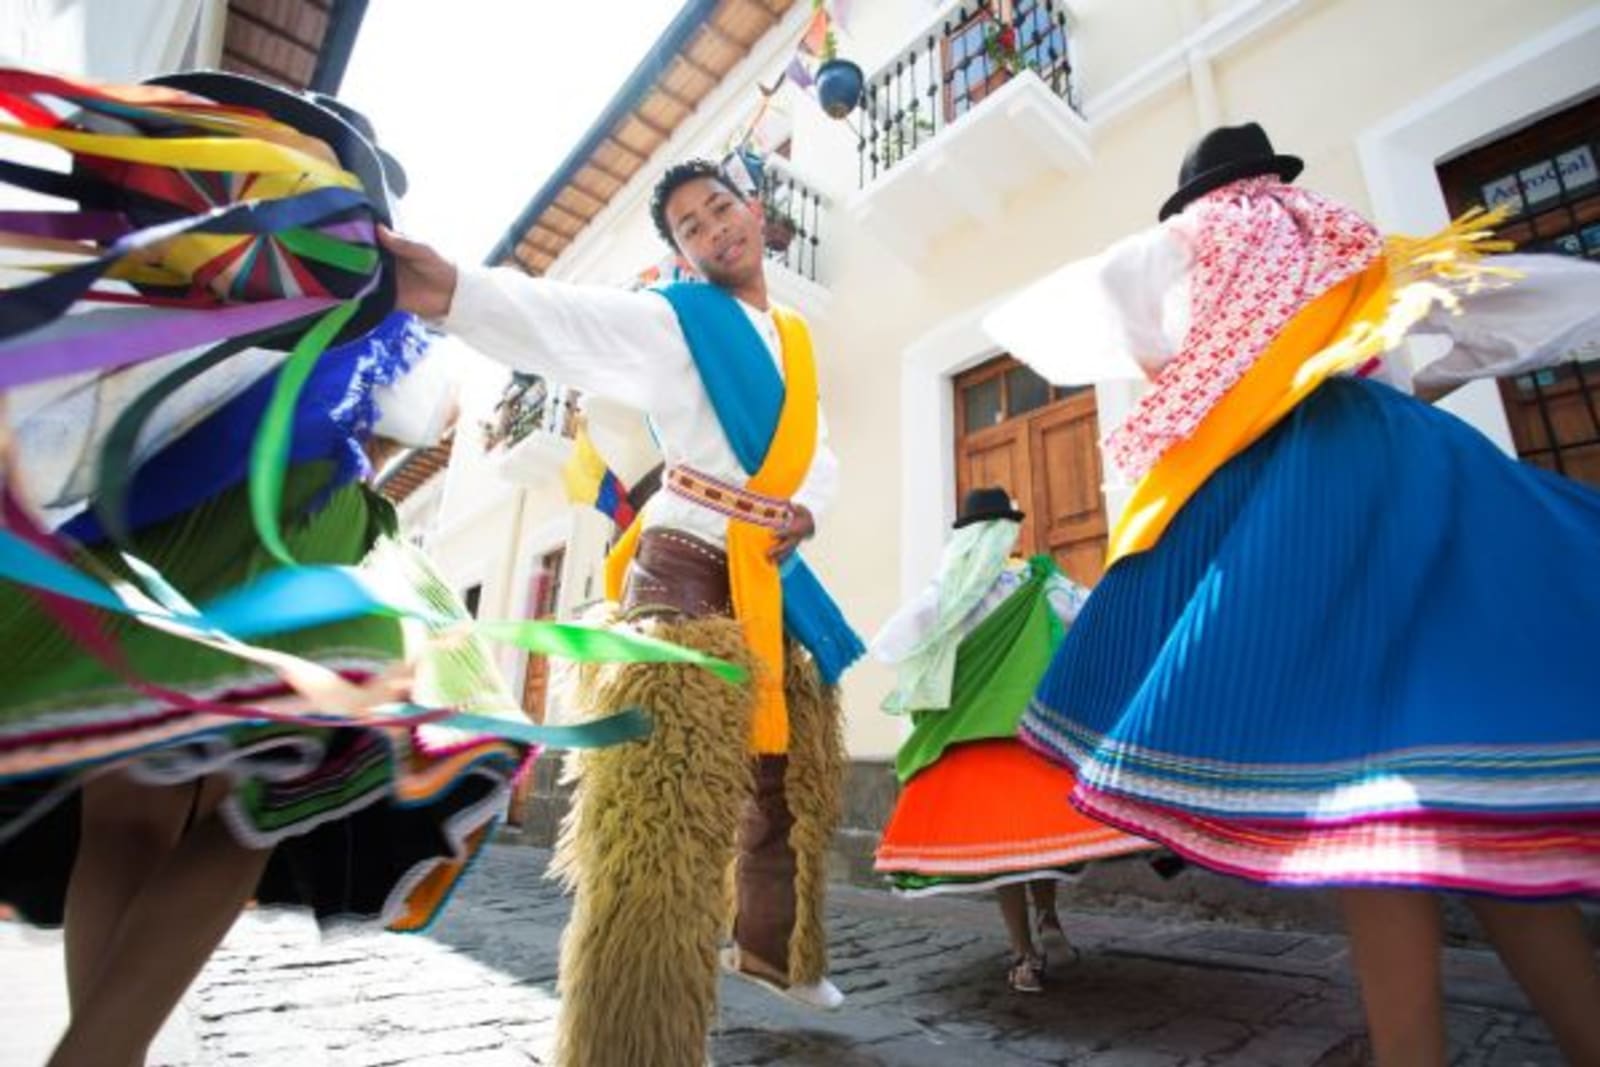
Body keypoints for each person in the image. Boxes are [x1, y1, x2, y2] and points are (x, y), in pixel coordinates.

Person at [985, 121, 1600, 1065]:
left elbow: (1088, 298)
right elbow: (1490, 315)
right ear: (1275, 179)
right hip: (1421, 475)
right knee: (1457, 807)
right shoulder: (1350, 240)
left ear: (1196, 197)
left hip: (1299, 494)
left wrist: (1171, 365)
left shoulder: (1197, 235)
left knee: (1372, 801)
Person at [0, 73, 529, 1067]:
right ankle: (97, 1056)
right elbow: (413, 421)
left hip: (142, 528)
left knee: (123, 808)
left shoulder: (171, 272)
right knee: (257, 801)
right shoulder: (381, 302)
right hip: (294, 536)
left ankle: (99, 1054)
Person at [381, 156, 864, 1067]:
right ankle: (630, 1035)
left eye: (720, 206)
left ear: (753, 211)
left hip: (768, 573)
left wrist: (810, 510)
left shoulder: (794, 336)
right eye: (690, 225)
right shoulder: (672, 321)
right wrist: (446, 289)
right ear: (681, 252)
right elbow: (560, 320)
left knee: (784, 782)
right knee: (663, 814)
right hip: (682, 570)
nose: (713, 226)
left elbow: (820, 454)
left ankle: (770, 948)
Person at [871, 486, 1150, 993]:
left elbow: (894, 641)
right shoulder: (1043, 583)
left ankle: (1025, 958)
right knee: (1040, 841)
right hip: (1038, 734)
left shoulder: (952, 589)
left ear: (966, 535)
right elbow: (1091, 617)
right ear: (1010, 532)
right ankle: (1049, 920)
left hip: (976, 743)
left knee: (1003, 858)